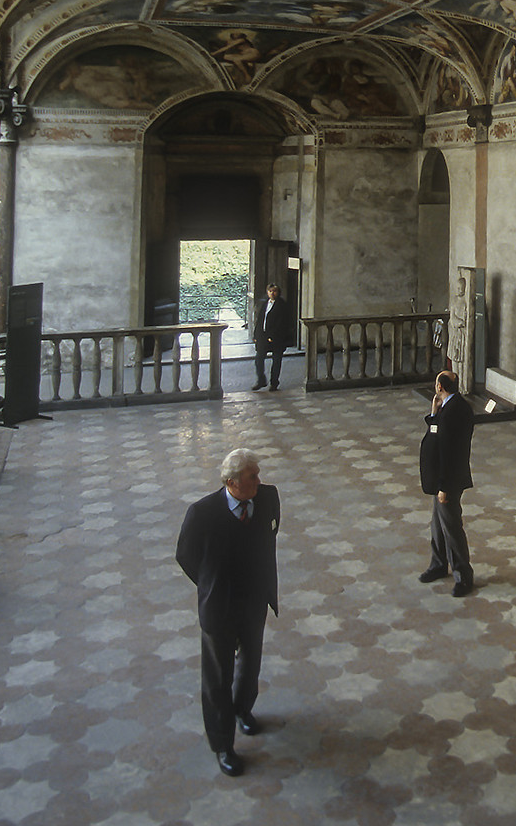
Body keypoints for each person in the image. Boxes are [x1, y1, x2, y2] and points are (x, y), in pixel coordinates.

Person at [175, 448, 280, 778]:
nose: (259, 481)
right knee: (217, 678)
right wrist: (209, 585)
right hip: (219, 608)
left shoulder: (267, 498)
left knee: (250, 662)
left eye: (258, 474)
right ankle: (222, 744)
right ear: (232, 482)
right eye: (252, 477)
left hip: (253, 601)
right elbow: (186, 557)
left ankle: (243, 708)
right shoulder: (202, 513)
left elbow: (269, 535)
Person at [418, 370, 475, 596]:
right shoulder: (449, 407)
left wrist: (443, 487)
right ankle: (439, 565)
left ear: (440, 387)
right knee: (438, 526)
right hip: (442, 479)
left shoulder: (453, 413)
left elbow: (450, 453)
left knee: (451, 528)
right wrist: (433, 414)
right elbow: (435, 436)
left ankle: (463, 575)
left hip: (448, 481)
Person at [252, 283, 293, 391]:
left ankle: (274, 383)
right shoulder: (265, 303)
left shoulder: (282, 305)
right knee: (259, 359)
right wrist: (256, 335)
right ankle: (261, 380)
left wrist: (273, 335)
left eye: (274, 291)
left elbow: (283, 323)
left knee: (276, 360)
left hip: (277, 337)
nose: (272, 293)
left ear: (278, 293)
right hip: (263, 335)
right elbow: (260, 320)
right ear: (267, 292)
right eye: (270, 291)